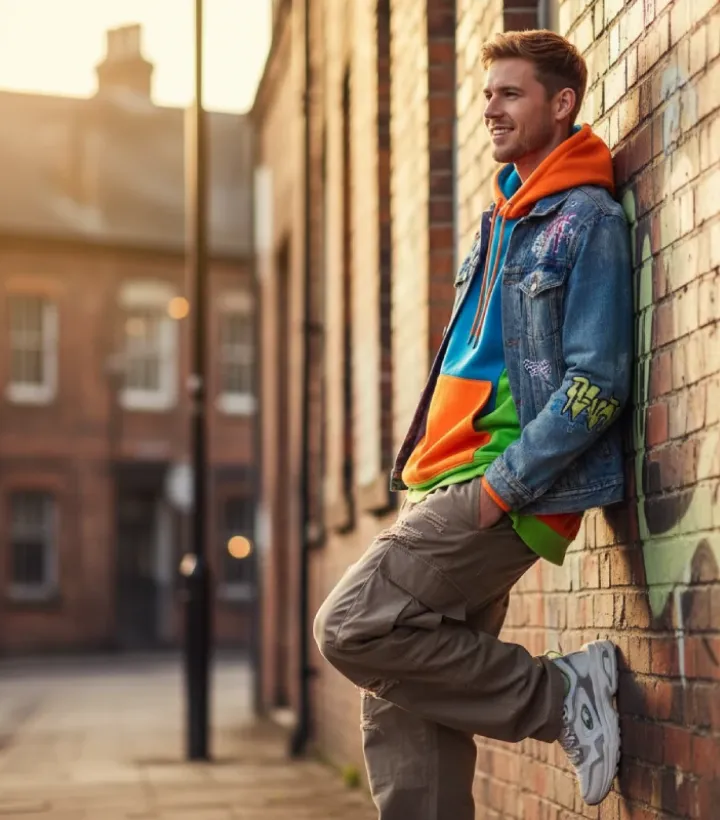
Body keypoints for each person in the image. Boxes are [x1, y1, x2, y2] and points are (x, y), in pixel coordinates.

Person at [314, 28, 632, 819]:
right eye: (487, 94)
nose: (490, 108)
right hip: (445, 481)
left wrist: (500, 489)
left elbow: (598, 383)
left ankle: (560, 695)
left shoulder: (585, 219)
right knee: (406, 715)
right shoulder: (502, 220)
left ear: (561, 104)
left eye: (510, 93)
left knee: (352, 627)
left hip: (500, 484)